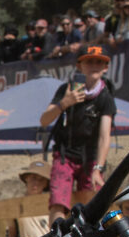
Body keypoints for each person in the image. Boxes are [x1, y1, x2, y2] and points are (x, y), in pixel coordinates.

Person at [38, 47, 115, 218]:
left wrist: (98, 168)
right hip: (65, 155)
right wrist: (64, 103)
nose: (94, 66)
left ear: (105, 67)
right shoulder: (66, 89)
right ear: (79, 66)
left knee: (93, 205)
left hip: (91, 159)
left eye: (99, 62)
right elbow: (44, 120)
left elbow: (104, 137)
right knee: (58, 202)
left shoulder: (105, 97)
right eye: (89, 61)